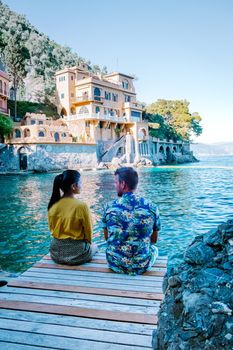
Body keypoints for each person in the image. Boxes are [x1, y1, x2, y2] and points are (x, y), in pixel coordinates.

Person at [102, 167, 160, 275]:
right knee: (155, 249)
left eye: (115, 182)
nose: (114, 186)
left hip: (115, 264)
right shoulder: (152, 207)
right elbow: (154, 240)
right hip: (141, 265)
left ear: (123, 184)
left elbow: (107, 238)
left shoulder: (108, 207)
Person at [48, 170, 97, 265]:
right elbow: (88, 232)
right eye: (80, 183)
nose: (82, 185)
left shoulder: (53, 205)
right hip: (77, 253)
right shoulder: (81, 206)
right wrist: (89, 244)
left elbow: (52, 228)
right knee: (95, 247)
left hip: (56, 253)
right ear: (73, 186)